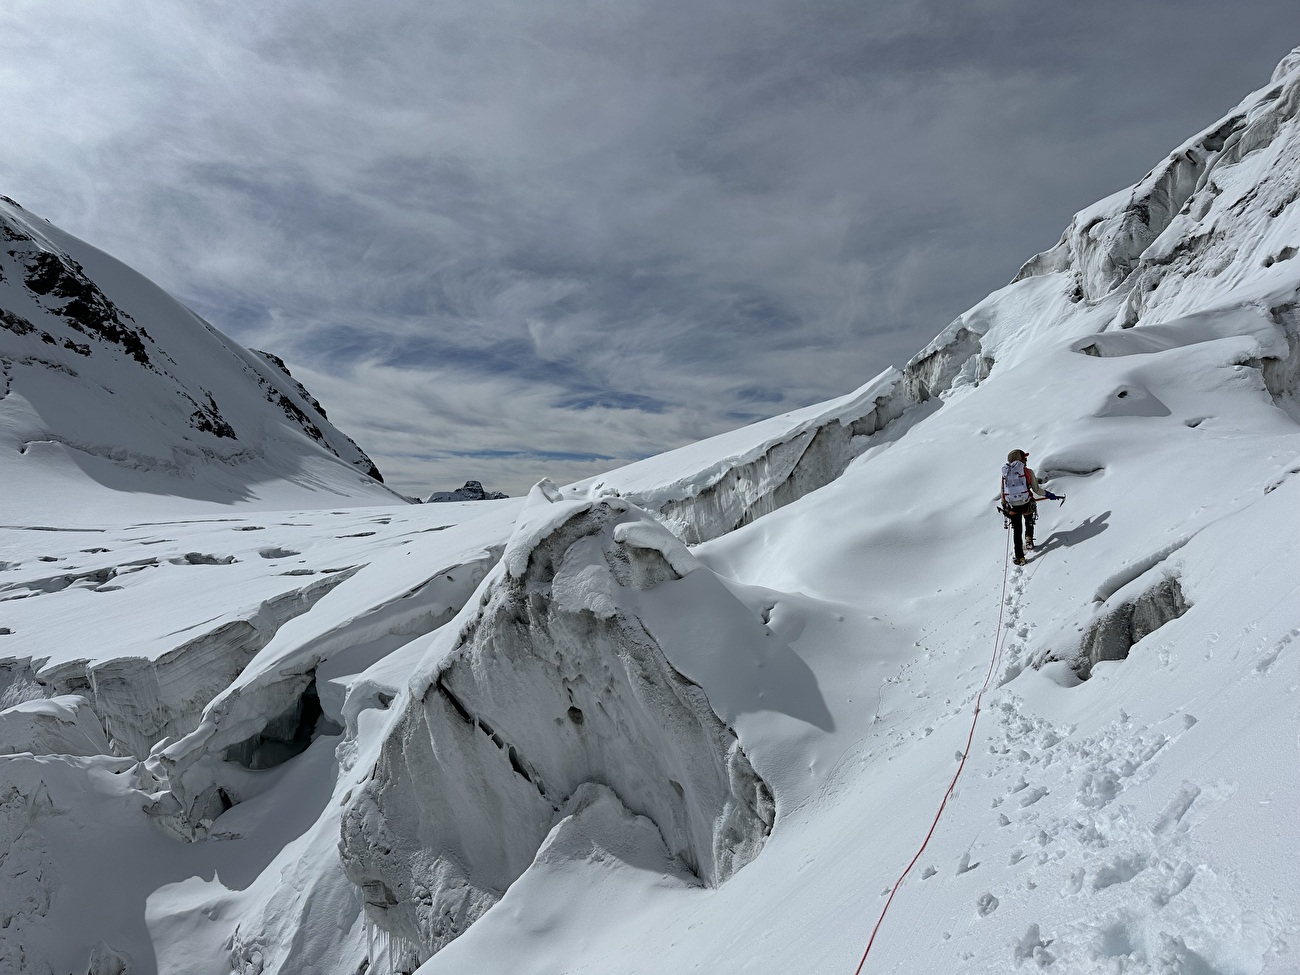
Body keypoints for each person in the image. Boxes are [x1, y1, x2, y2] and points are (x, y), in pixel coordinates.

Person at [1000, 449, 1059, 565]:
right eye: (1024, 458)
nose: (1026, 460)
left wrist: (1005, 505)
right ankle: (1028, 541)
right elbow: (1037, 490)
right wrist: (1049, 494)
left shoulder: (1005, 473)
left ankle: (1020, 558)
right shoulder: (1028, 472)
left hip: (1012, 507)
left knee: (1016, 532)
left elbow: (1003, 492)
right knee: (1029, 521)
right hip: (1026, 503)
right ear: (1020, 459)